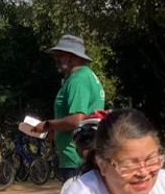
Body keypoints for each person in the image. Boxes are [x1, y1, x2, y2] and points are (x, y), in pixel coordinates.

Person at [25, 35, 105, 185]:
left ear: (72, 57)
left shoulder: (78, 79)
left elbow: (77, 120)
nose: (57, 59)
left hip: (76, 159)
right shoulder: (86, 77)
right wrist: (55, 133)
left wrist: (47, 125)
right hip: (81, 155)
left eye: (60, 55)